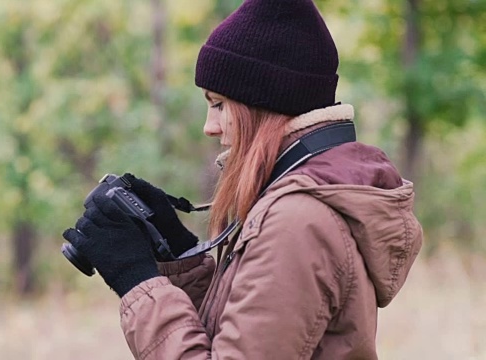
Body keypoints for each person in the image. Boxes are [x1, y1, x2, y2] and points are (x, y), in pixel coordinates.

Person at [62, 0, 424, 358]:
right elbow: (245, 334)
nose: (209, 126)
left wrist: (135, 279)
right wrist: (176, 253)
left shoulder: (298, 222)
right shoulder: (303, 201)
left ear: (264, 103)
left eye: (218, 104)